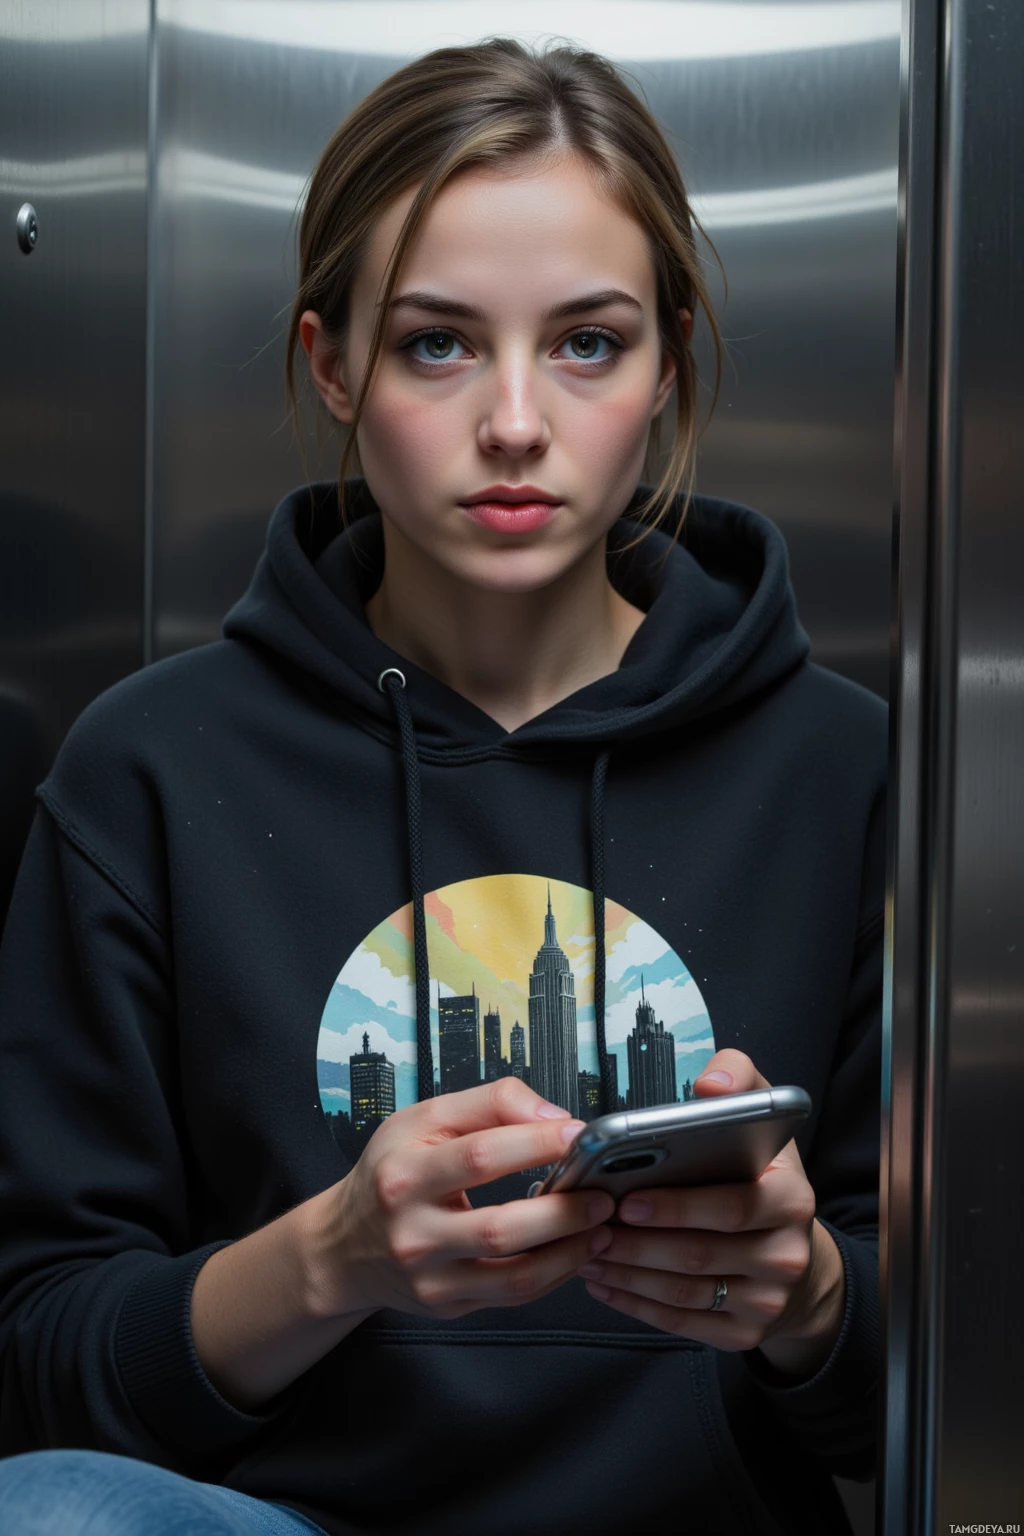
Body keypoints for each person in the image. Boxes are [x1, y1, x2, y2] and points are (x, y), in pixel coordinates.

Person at [0, 37, 885, 1536]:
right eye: (437, 343)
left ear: (671, 358)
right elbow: (42, 1359)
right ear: (332, 363)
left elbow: (945, 1393)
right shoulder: (149, 767)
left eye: (590, 342)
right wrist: (330, 1259)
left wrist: (806, 1295)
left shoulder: (846, 772)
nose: (518, 422)